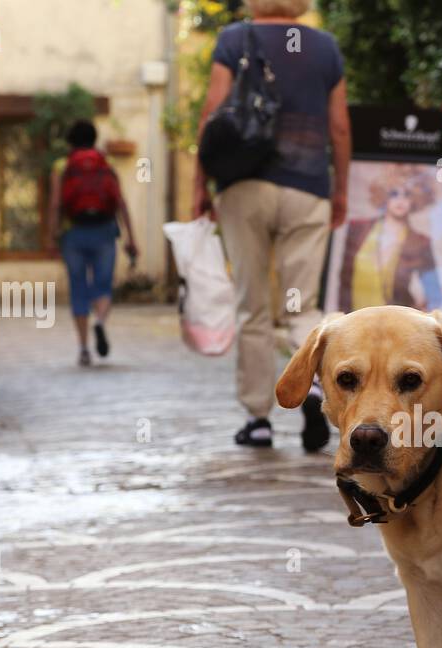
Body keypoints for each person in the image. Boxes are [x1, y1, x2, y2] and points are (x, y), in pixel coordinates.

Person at [193, 0, 350, 451]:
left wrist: (199, 187)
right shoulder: (325, 49)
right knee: (303, 307)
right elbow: (339, 128)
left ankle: (258, 419)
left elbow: (212, 113)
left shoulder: (234, 39)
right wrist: (340, 190)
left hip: (243, 188)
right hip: (306, 190)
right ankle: (317, 391)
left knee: (253, 307)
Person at [47, 120, 138, 367]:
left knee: (78, 289)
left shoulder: (63, 165)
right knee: (103, 285)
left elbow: (56, 204)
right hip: (105, 231)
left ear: (70, 141)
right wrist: (131, 238)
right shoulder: (106, 164)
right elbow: (121, 203)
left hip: (73, 233)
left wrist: (52, 236)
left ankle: (84, 348)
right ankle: (99, 320)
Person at [338, 166, 442, 313]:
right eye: (394, 194)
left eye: (407, 195)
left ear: (415, 199)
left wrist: (415, 316)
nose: (400, 200)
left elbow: (434, 295)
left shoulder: (420, 242)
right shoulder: (357, 229)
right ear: (384, 195)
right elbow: (344, 280)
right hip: (355, 321)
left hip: (395, 326)